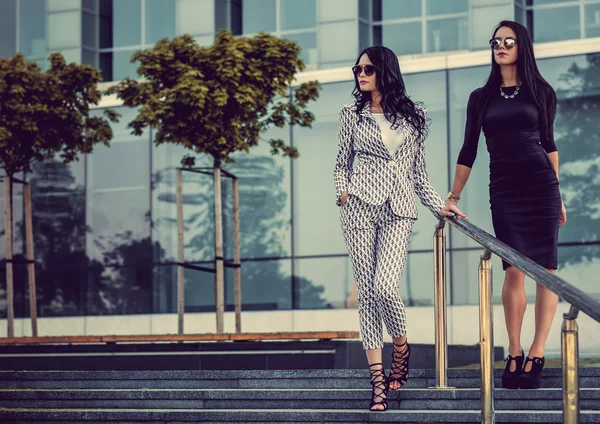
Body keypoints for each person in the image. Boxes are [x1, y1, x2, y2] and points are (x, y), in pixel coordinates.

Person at [334, 46, 465, 412]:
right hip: (358, 207)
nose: (361, 74)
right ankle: (378, 383)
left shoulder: (414, 117)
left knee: (384, 286)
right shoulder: (350, 115)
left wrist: (441, 205)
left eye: (369, 69)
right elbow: (340, 164)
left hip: (399, 210)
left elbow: (418, 175)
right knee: (367, 297)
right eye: (357, 68)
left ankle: (402, 346)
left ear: (385, 72)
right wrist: (342, 193)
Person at [444, 21, 566, 390]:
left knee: (546, 270)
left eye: (508, 41)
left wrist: (558, 194)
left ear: (521, 46)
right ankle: (513, 349)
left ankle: (537, 351)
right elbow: (469, 150)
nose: (500, 46)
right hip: (505, 190)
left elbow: (549, 143)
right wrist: (453, 196)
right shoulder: (480, 98)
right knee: (514, 269)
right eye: (496, 41)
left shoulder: (541, 91)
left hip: (541, 186)